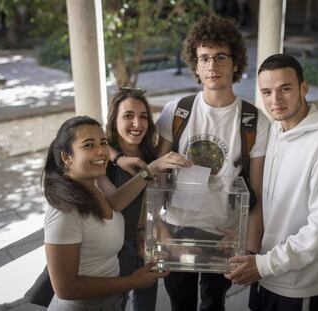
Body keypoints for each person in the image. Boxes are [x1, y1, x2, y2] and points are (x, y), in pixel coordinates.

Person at [155, 15, 270, 311]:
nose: (212, 65)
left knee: (213, 303)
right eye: (204, 58)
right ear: (195, 64)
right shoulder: (176, 112)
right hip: (178, 227)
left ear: (235, 63)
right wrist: (159, 232)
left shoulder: (254, 121)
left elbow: (257, 190)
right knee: (180, 304)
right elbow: (156, 178)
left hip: (224, 234)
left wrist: (249, 243)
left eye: (220, 57)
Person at [225, 54, 318, 311]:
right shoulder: (275, 131)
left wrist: (264, 265)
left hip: (298, 282)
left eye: (285, 89)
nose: (276, 100)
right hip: (265, 271)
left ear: (303, 88)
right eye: (267, 92)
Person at [43, 115, 190, 310]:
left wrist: (152, 168)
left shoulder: (93, 187)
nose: (101, 151)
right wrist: (133, 282)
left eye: (103, 142)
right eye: (88, 145)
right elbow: (66, 288)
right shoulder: (65, 212)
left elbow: (118, 201)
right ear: (66, 157)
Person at [105, 87, 159, 311]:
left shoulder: (154, 156)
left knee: (146, 306)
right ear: (114, 121)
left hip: (146, 245)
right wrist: (116, 157)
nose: (138, 124)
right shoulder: (101, 160)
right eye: (128, 116)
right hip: (111, 252)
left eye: (143, 116)